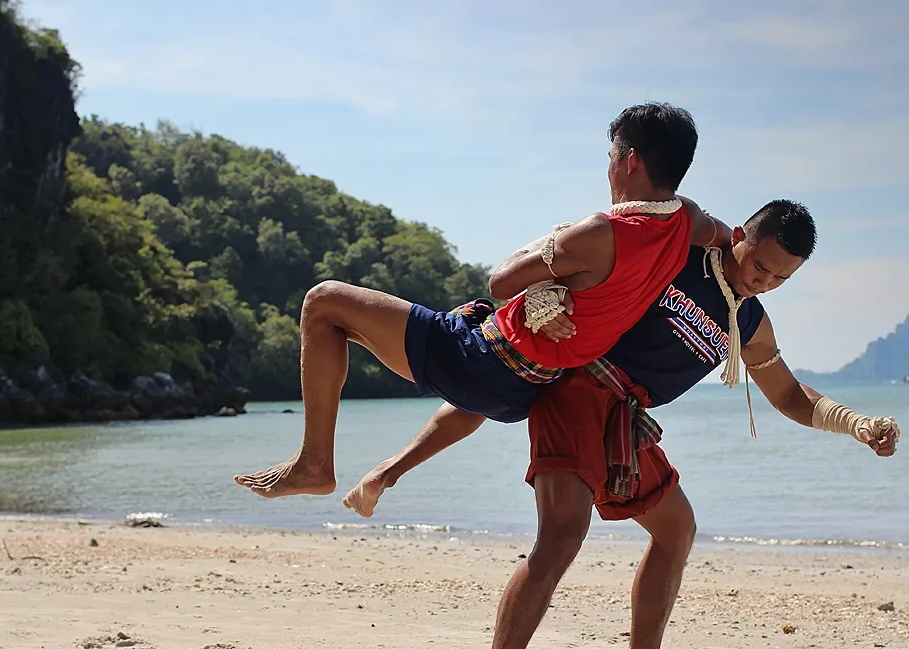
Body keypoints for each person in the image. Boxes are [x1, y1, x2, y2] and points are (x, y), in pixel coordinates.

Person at [342, 200, 900, 649]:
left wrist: (857, 424)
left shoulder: (748, 322)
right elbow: (568, 255)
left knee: (676, 528)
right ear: (740, 237)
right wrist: (539, 298)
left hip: (625, 420)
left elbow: (788, 395)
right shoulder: (677, 253)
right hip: (577, 388)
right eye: (762, 265)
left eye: (782, 278)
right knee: (560, 537)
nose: (765, 281)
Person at [234, 102, 723, 499]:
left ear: (629, 158)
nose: (610, 165)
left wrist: (552, 253)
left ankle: (314, 462)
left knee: (324, 302)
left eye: (612, 154)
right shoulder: (687, 223)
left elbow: (502, 281)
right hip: (522, 389)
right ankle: (386, 473)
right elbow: (726, 235)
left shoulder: (601, 231)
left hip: (483, 361)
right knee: (470, 373)